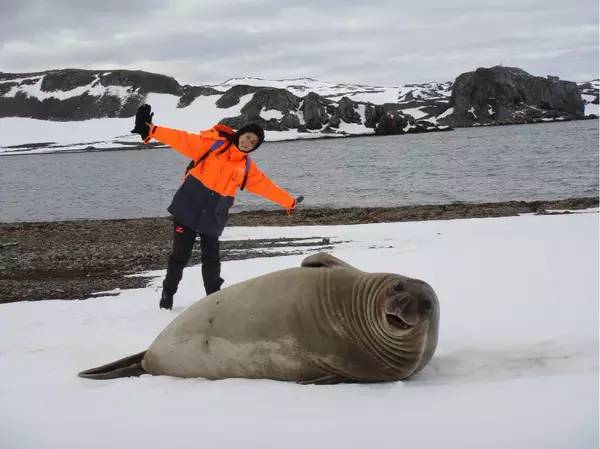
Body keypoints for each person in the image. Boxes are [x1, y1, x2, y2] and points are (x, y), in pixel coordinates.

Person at [131, 104, 301, 310]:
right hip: (188, 208)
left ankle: (214, 300)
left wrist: (288, 201)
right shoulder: (213, 145)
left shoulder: (247, 168)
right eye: (247, 137)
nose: (248, 142)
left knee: (211, 260)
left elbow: (266, 186)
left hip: (214, 215)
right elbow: (182, 138)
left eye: (253, 142)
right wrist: (151, 130)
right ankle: (168, 293)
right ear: (240, 135)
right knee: (179, 256)